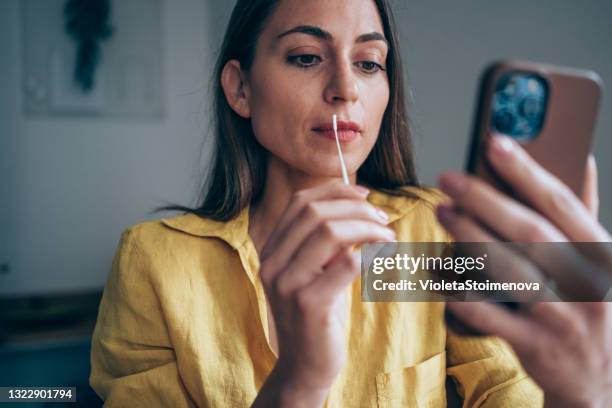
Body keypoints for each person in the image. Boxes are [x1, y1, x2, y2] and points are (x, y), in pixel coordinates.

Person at [90, 0, 543, 406]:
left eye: (368, 63)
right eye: (306, 57)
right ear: (240, 88)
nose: (345, 88)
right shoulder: (153, 262)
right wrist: (299, 380)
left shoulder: (436, 229)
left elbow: (513, 390)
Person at [437, 135, 612, 408]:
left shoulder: (443, 228)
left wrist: (583, 395)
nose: (349, 91)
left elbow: (503, 383)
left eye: (367, 86)